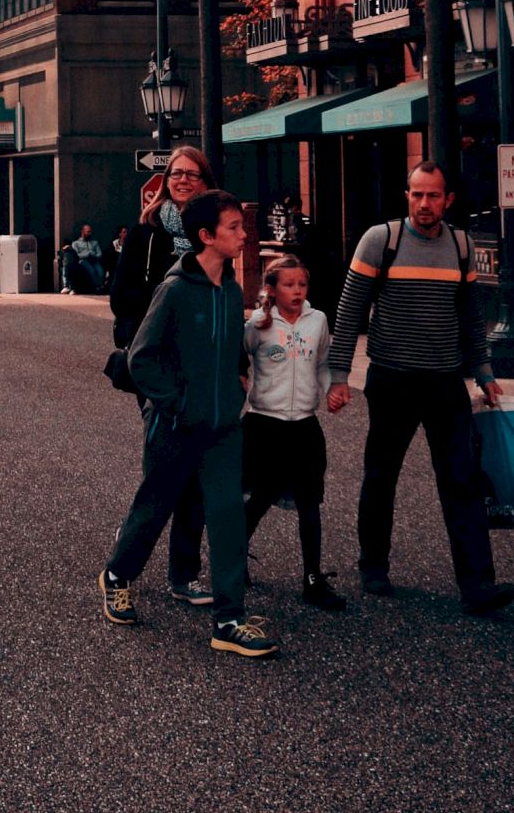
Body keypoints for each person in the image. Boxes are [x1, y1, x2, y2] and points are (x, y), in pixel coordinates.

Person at [326, 161, 514, 616]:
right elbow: (349, 312)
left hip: (445, 381)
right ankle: (373, 564)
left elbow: (471, 318)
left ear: (447, 199)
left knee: (462, 482)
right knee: (381, 474)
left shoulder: (461, 245)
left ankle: (477, 586)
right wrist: (338, 376)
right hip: (392, 379)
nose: (424, 204)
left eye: (433, 196)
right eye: (416, 195)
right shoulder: (381, 240)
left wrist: (484, 372)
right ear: (406, 195)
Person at [101, 191, 278, 659]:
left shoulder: (230, 289)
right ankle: (118, 575)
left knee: (226, 519)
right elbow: (142, 358)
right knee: (153, 508)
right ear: (206, 236)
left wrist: (238, 381)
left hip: (222, 428)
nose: (244, 234)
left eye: (243, 226)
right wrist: (179, 404)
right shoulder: (176, 289)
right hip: (177, 426)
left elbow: (229, 347)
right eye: (234, 228)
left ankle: (228, 620)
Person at [108, 147, 217, 606]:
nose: (183, 180)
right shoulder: (147, 231)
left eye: (192, 174)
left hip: (202, 361)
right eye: (176, 174)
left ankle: (184, 573)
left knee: (196, 469)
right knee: (166, 465)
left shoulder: (215, 235)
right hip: (155, 363)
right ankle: (126, 555)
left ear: (205, 181)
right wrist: (165, 309)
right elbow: (120, 296)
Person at [243, 257, 344, 610]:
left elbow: (323, 365)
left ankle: (313, 579)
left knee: (309, 504)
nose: (298, 291)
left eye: (302, 284)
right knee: (259, 498)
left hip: (304, 426)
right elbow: (238, 362)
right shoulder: (257, 325)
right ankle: (235, 560)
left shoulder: (318, 321)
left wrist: (333, 389)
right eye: (289, 285)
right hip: (263, 426)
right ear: (272, 289)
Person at [61, 224, 105, 294]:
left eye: (90, 232)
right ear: (83, 232)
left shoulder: (95, 243)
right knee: (91, 270)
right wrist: (86, 254)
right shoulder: (76, 243)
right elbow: (76, 255)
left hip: (94, 260)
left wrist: (93, 255)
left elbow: (99, 254)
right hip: (83, 260)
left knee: (100, 271)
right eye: (88, 232)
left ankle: (99, 286)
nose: (89, 233)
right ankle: (95, 287)